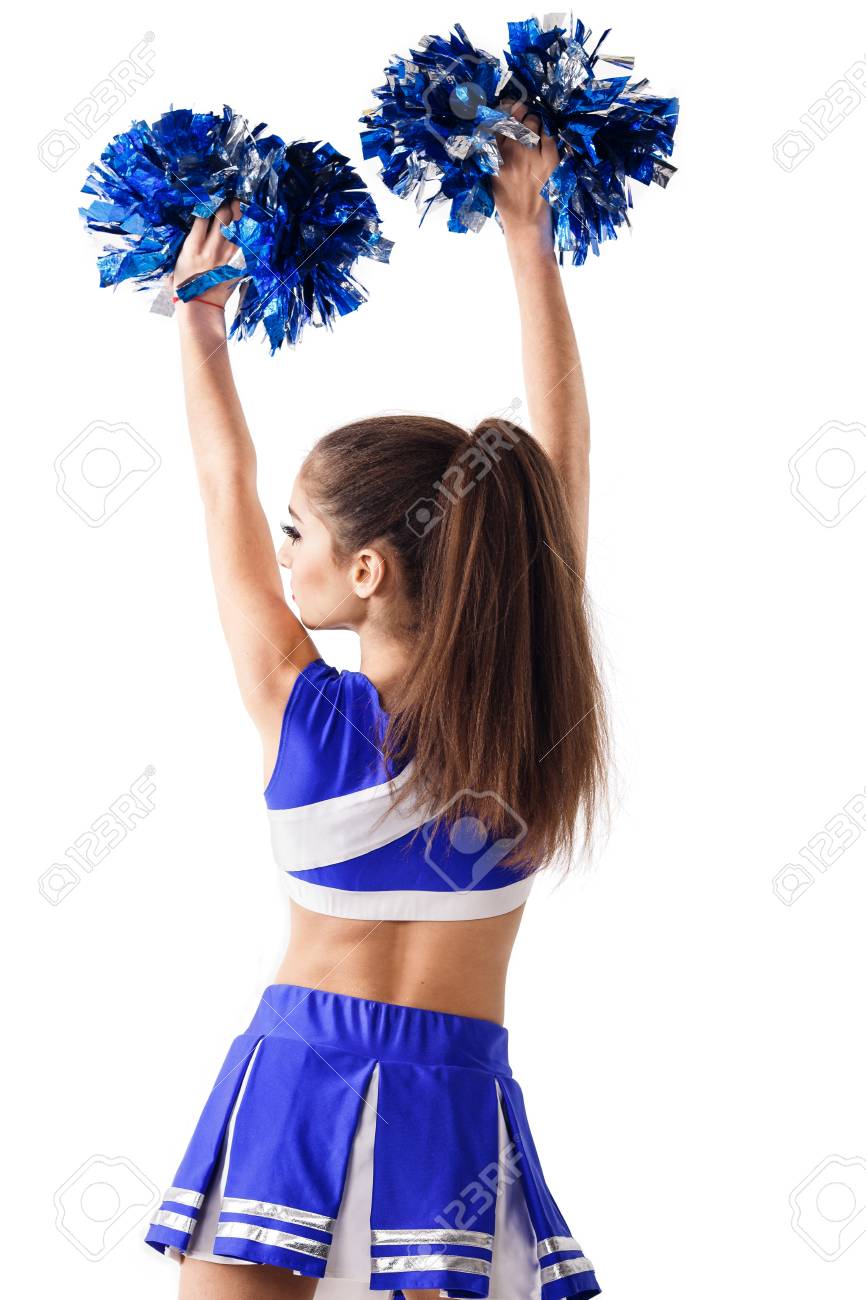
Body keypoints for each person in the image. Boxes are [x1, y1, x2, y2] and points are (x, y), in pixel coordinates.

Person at [144, 104, 609, 1300]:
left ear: (367, 571)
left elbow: (217, 484)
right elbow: (553, 477)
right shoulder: (526, 724)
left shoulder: (297, 710)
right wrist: (525, 237)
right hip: (452, 1110)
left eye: (298, 532)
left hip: (293, 1081)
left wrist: (200, 326)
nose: (279, 548)